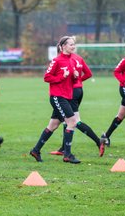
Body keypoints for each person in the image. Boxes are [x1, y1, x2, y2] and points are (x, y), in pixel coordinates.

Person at [50, 38, 106, 157]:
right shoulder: (78, 58)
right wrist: (79, 80)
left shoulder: (69, 59)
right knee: (66, 119)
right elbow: (89, 73)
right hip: (79, 90)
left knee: (73, 120)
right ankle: (63, 148)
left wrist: (74, 81)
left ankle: (97, 141)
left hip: (69, 91)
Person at [29, 36, 81, 164]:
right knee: (72, 122)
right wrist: (61, 77)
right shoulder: (57, 60)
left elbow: (71, 81)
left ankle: (36, 150)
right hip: (58, 96)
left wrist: (75, 77)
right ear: (63, 46)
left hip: (67, 96)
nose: (73, 47)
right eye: (70, 45)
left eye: (74, 44)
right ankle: (67, 155)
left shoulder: (72, 61)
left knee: (53, 125)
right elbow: (47, 77)